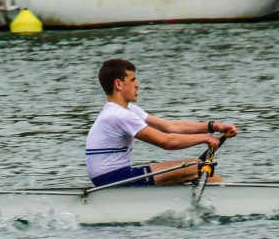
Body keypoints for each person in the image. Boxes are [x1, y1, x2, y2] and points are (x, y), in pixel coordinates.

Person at [86, 59, 237, 187]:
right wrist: (205, 138)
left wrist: (214, 127)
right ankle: (234, 200)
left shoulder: (128, 110)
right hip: (112, 178)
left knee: (193, 167)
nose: (137, 85)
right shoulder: (119, 115)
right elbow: (167, 142)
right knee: (195, 167)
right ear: (118, 84)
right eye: (132, 80)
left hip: (113, 176)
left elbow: (170, 127)